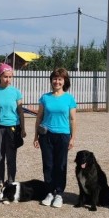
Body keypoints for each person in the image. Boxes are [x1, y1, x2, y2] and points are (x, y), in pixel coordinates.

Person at [33, 67, 77, 208]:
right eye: (55, 79)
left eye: (60, 79)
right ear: (51, 80)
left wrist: (73, 137)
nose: (57, 81)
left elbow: (72, 119)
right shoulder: (45, 98)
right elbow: (39, 117)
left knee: (61, 165)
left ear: (64, 81)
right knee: (48, 165)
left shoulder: (69, 98)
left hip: (63, 135)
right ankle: (49, 192)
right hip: (46, 135)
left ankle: (59, 193)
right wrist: (35, 136)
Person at [0, 63, 26, 197]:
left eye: (10, 77)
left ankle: (11, 183)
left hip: (13, 128)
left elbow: (20, 112)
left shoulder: (16, 92)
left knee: (11, 157)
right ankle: (0, 183)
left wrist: (23, 128)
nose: (8, 79)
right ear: (0, 76)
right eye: (5, 77)